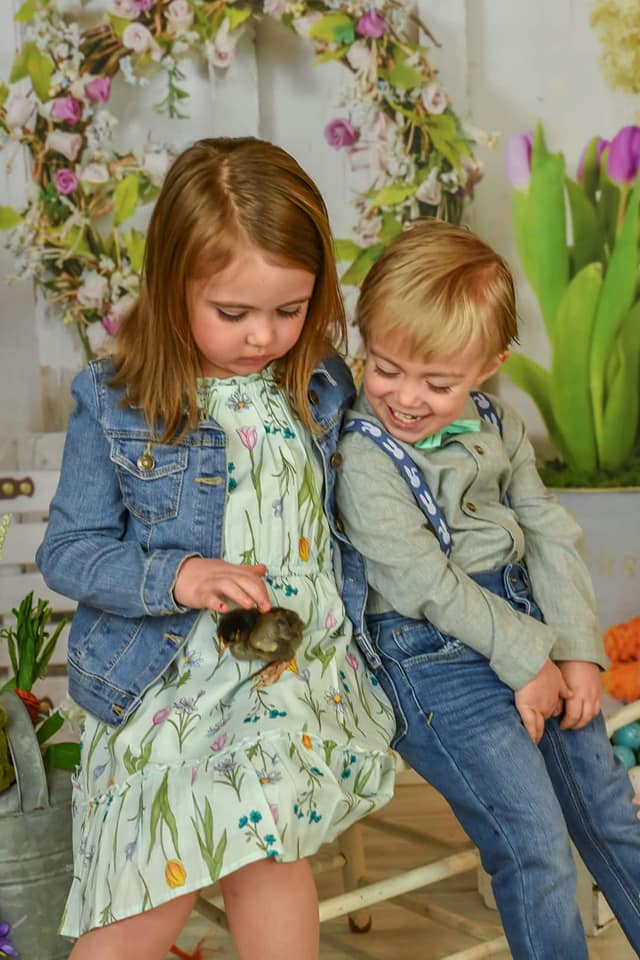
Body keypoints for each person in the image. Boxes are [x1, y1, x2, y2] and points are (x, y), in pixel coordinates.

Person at [36, 136, 396, 960]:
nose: (262, 336)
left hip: (293, 675)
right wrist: (181, 576)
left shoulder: (324, 387)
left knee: (268, 840)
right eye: (232, 313)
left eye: (290, 309)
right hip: (165, 678)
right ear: (171, 290)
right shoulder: (117, 399)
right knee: (148, 877)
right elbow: (70, 552)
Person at [335, 219, 640, 959]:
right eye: (384, 367)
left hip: (528, 626)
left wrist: (572, 653)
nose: (405, 398)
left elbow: (548, 531)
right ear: (364, 340)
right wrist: (527, 659)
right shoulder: (364, 453)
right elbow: (419, 578)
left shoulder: (497, 424)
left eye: (438, 384)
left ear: (490, 365)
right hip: (430, 654)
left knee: (608, 813)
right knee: (534, 842)